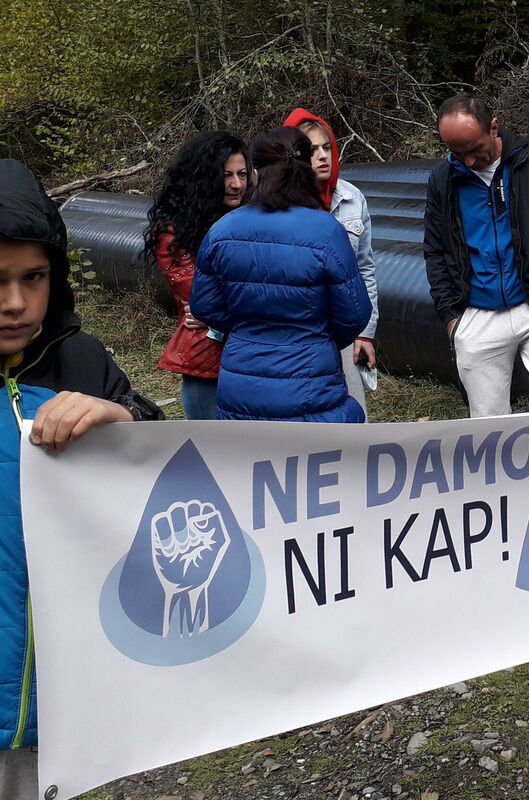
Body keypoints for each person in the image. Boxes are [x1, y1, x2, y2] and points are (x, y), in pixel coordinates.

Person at [0, 159, 163, 793]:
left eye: (33, 277)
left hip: (67, 701)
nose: (16, 303)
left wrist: (123, 420)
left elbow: (165, 472)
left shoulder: (79, 357)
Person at [424, 95, 529, 418]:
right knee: (488, 422)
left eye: (474, 149)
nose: (468, 161)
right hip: (476, 313)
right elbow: (435, 249)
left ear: (494, 127)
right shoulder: (443, 179)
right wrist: (451, 317)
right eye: (457, 152)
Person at [190, 126, 371, 422]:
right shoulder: (327, 231)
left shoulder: (222, 230)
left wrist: (246, 330)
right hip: (313, 383)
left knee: (244, 451)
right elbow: (355, 311)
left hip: (241, 386)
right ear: (306, 170)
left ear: (255, 173)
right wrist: (318, 337)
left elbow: (204, 306)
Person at [283, 108, 380, 416]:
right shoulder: (279, 205)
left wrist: (365, 332)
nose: (323, 156)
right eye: (312, 150)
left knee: (352, 415)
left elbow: (364, 269)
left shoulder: (352, 198)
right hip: (295, 334)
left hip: (342, 329)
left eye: (327, 147)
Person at [145, 131, 248, 419]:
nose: (237, 184)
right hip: (207, 357)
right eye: (226, 175)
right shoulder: (172, 231)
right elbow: (202, 298)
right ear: (203, 177)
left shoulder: (252, 219)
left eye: (242, 174)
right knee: (211, 444)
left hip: (251, 356)